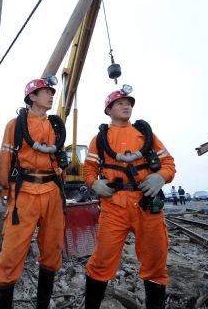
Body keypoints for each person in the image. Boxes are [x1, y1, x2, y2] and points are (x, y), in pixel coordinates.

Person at [82, 85, 176, 309]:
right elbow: (88, 170)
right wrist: (94, 183)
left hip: (147, 205)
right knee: (102, 260)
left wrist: (160, 178)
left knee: (155, 261)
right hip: (114, 206)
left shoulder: (146, 135)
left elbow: (168, 163)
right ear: (108, 110)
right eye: (120, 103)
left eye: (129, 103)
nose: (126, 106)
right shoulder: (100, 139)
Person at [0, 77, 67, 309]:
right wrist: (5, 187)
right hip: (24, 192)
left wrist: (60, 186)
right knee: (12, 252)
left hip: (51, 191)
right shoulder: (15, 125)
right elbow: (4, 159)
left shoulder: (55, 125)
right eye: (45, 92)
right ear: (32, 97)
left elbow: (59, 158)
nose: (51, 95)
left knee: (53, 248)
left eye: (51, 92)